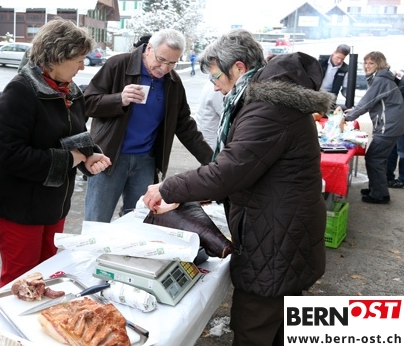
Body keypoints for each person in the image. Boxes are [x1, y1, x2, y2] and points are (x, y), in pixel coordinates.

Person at [142, 29, 334, 346]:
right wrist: (205, 193)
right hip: (284, 229)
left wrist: (168, 188)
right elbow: (249, 168)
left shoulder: (268, 108)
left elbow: (229, 171)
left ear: (239, 68)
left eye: (216, 75)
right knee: (279, 322)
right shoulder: (269, 101)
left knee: (254, 326)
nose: (214, 85)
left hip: (275, 237)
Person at [0, 18, 111, 287]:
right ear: (56, 57)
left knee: (47, 274)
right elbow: (11, 156)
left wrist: (89, 155)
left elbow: (75, 135)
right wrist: (69, 160)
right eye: (78, 60)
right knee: (22, 282)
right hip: (21, 208)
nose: (83, 66)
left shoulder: (69, 90)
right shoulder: (20, 92)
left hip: (54, 205)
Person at [83, 28, 213, 223]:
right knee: (97, 221)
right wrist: (119, 99)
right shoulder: (118, 64)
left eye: (172, 63)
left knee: (141, 222)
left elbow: (185, 126)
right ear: (149, 49)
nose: (165, 68)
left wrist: (212, 162)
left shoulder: (173, 82)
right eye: (161, 60)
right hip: (108, 158)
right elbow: (86, 103)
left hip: (145, 162)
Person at [344, 51, 404, 204]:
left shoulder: (380, 80)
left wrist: (346, 118)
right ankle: (376, 189)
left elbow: (367, 102)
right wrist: (354, 110)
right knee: (379, 159)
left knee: (374, 158)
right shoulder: (382, 78)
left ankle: (379, 195)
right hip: (391, 124)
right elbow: (372, 101)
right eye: (366, 63)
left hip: (388, 126)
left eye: (371, 63)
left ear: (379, 64)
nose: (367, 66)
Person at [195, 77, 224, 152]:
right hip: (212, 142)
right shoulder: (217, 88)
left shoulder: (211, 83)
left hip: (205, 139)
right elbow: (225, 113)